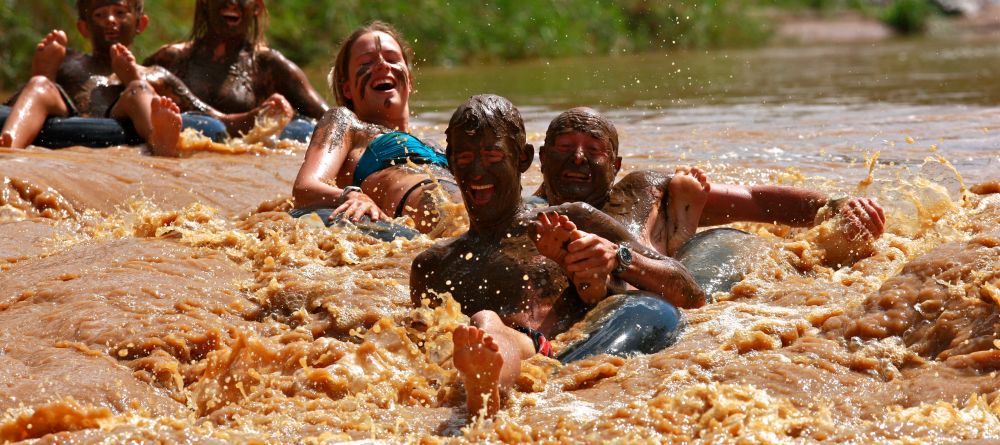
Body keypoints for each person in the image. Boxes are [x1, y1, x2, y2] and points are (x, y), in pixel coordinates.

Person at [410, 95, 705, 419]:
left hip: (573, 351)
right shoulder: (433, 266)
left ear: (523, 159)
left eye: (493, 156)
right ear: (450, 162)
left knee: (487, 323)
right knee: (486, 324)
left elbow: (691, 293)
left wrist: (618, 258)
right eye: (465, 157)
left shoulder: (574, 220)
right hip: (512, 356)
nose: (478, 171)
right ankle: (486, 389)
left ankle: (488, 390)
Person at [534, 107, 886, 258]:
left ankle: (678, 241)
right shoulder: (522, 214)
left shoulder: (646, 198)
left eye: (593, 150)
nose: (577, 158)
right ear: (543, 157)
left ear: (615, 166)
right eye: (565, 147)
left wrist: (835, 206)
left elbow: (757, 202)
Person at [291, 22, 463, 234]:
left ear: (409, 81)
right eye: (366, 62)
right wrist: (351, 195)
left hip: (471, 209)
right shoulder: (346, 124)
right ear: (347, 89)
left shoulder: (433, 145)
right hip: (439, 215)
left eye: (392, 59)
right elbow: (305, 188)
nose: (382, 65)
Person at [0, 1, 184, 156]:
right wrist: (44, 73)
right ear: (84, 28)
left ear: (140, 24)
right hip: (69, 119)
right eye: (100, 15)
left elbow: (199, 112)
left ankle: (159, 138)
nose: (110, 20)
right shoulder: (69, 63)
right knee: (40, 84)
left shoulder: (154, 74)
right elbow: (12, 105)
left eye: (119, 12)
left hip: (124, 114)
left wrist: (131, 77)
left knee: (138, 88)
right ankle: (9, 143)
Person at [144, 0, 328, 136]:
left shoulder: (268, 66)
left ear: (257, 6)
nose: (232, 2)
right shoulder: (171, 59)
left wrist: (280, 114)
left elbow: (330, 119)